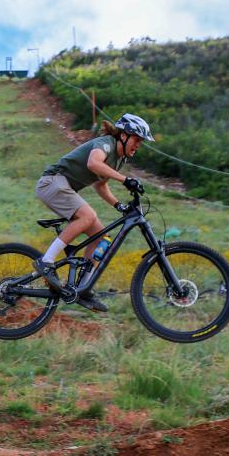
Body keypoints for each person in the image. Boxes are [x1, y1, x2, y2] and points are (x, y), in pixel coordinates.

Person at [33, 113, 154, 311]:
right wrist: (125, 180)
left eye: (141, 142)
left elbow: (100, 185)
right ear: (123, 135)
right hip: (52, 182)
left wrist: (118, 205)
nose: (138, 145)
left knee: (102, 240)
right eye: (137, 139)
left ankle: (83, 288)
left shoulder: (118, 160)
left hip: (63, 187)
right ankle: (46, 261)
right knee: (88, 216)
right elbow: (93, 163)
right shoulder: (106, 143)